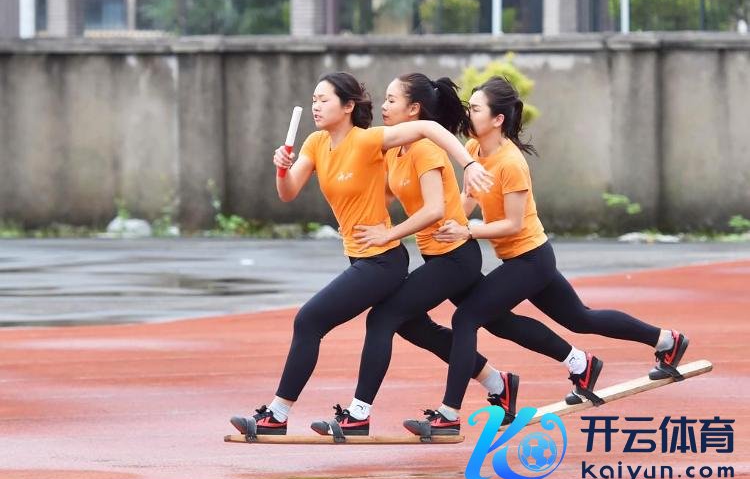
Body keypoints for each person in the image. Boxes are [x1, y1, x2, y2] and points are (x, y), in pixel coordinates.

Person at [311, 73, 596, 437]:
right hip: (438, 255)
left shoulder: (426, 150)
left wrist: (391, 234)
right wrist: (351, 210)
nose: (383, 106)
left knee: (386, 317)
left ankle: (368, 413)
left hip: (456, 258)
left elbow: (433, 211)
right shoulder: (395, 151)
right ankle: (549, 369)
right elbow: (383, 195)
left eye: (392, 100)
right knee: (489, 322)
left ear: (413, 109)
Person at [404, 76, 689, 436]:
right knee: (579, 318)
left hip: (531, 259)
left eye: (475, 109)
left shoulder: (511, 163)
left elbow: (512, 224)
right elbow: (469, 200)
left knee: (467, 318)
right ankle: (659, 342)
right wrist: (448, 221)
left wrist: (468, 231)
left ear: (497, 119)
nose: (468, 115)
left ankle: (449, 412)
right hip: (522, 260)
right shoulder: (475, 150)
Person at [229, 71, 494, 437]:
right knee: (414, 327)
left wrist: (470, 163)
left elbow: (429, 129)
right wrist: (281, 168)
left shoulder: (369, 140)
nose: (316, 106)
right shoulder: (315, 144)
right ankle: (495, 380)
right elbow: (287, 192)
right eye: (313, 100)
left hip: (382, 261)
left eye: (324, 100)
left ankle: (282, 414)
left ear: (348, 106)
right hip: (362, 258)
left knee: (310, 321)